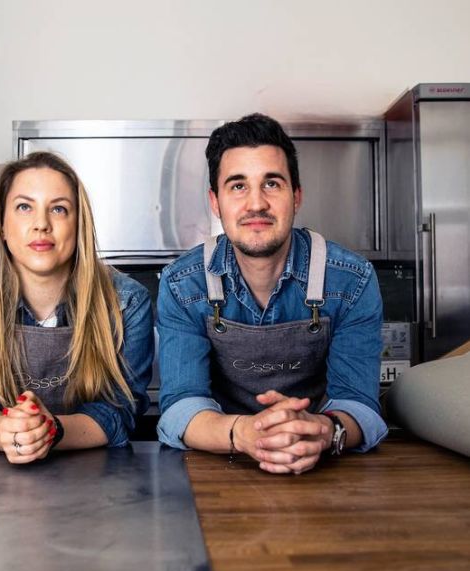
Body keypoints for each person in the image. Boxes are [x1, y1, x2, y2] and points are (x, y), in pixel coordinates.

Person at [157, 113, 387, 474]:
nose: (256, 204)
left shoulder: (351, 281)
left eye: (272, 184)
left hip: (323, 471)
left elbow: (359, 405)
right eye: (237, 186)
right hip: (219, 471)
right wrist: (246, 434)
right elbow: (180, 406)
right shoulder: (182, 284)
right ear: (215, 203)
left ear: (296, 197)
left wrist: (323, 431)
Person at [0, 151, 153, 463]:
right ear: (1, 226)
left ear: (79, 226)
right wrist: (8, 431)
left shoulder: (126, 302)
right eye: (25, 207)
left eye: (59, 209)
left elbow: (120, 410)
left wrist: (51, 431)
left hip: (94, 483)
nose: (41, 225)